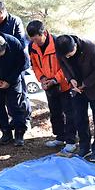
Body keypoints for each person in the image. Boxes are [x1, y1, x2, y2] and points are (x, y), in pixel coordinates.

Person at [26, 20, 77, 154]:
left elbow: (66, 66)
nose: (36, 43)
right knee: (55, 112)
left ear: (44, 33)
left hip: (64, 85)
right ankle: (60, 137)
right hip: (48, 85)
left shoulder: (58, 43)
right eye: (33, 40)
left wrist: (55, 79)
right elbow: (35, 65)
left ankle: (71, 141)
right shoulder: (32, 47)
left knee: (69, 113)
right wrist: (42, 79)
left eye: (38, 39)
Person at [55, 34, 95, 162]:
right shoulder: (60, 49)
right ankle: (84, 147)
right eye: (66, 55)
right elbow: (63, 65)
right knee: (79, 118)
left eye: (70, 54)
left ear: (75, 46)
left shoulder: (90, 47)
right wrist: (70, 79)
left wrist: (85, 84)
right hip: (76, 89)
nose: (68, 57)